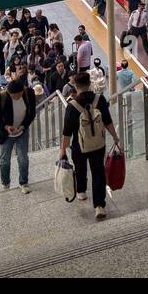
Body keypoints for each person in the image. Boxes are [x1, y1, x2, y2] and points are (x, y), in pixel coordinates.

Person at [60, 71, 120, 220]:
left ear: (76, 86)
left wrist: (62, 150)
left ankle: (81, 191)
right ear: (90, 84)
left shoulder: (72, 106)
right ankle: (99, 206)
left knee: (80, 168)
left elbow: (67, 132)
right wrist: (115, 137)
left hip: (79, 145)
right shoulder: (99, 100)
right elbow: (107, 120)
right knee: (98, 172)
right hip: (98, 144)